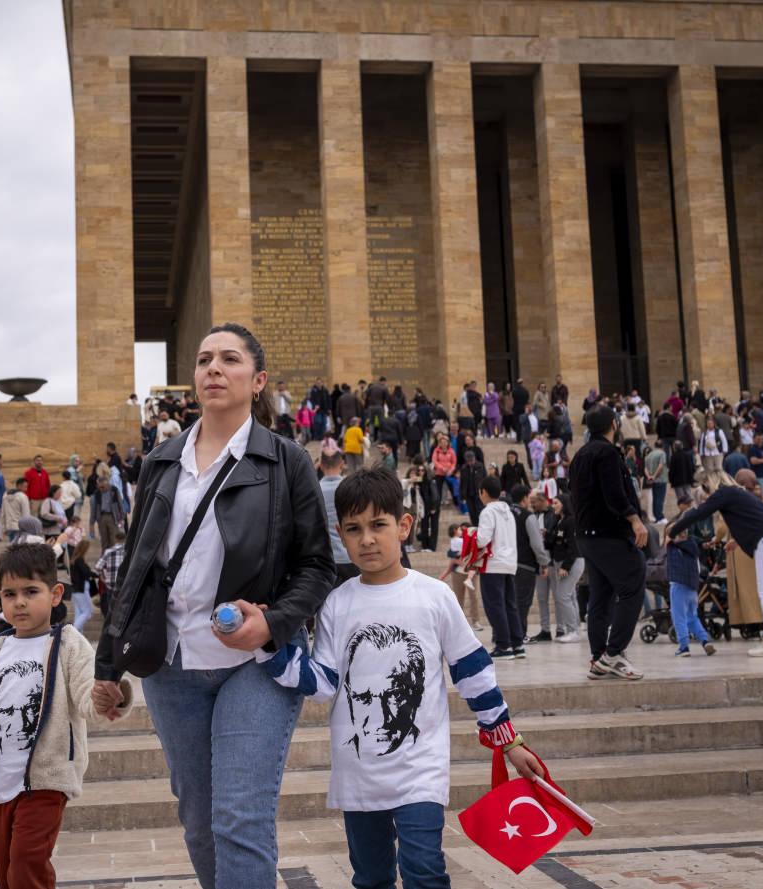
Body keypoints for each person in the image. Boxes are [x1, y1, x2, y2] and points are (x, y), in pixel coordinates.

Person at [91, 323, 334, 889]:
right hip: (172, 666)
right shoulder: (160, 462)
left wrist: (271, 623)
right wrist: (109, 668)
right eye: (203, 360)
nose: (213, 369)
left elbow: (318, 567)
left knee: (239, 820)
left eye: (229, 359)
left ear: (258, 379)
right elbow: (134, 570)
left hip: (255, 666)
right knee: (200, 825)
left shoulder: (286, 461)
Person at [257, 467, 544, 888]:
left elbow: (473, 673)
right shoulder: (336, 603)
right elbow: (323, 685)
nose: (367, 539)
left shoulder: (435, 596)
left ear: (404, 526)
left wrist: (509, 742)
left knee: (425, 871)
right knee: (371, 878)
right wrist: (267, 645)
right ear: (340, 533)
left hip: (420, 771)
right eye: (354, 529)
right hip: (359, 775)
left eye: (378, 525)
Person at [0, 543, 133, 889]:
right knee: (7, 874)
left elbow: (86, 695)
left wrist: (110, 695)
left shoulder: (68, 643)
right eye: (9, 593)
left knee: (26, 864)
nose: (19, 602)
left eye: (31, 591)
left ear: (55, 594)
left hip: (44, 780)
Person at [668, 469, 763, 655]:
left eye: (705, 488)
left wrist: (673, 530)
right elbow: (751, 519)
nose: (706, 494)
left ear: (711, 482)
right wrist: (736, 541)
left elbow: (699, 513)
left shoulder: (724, 492)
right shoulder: (739, 493)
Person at [570, 405, 648, 681]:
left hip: (586, 536)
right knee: (633, 584)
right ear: (613, 425)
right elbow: (614, 493)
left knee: (601, 598)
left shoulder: (580, 455)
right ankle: (614, 653)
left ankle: (598, 659)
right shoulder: (606, 453)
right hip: (608, 534)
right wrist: (635, 520)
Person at [475, 476, 523, 659]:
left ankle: (503, 645)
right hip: (510, 562)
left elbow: (482, 539)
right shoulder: (508, 511)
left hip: (493, 564)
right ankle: (517, 644)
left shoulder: (488, 511)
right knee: (510, 605)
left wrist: (472, 536)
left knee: (495, 606)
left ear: (483, 492)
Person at [666, 530, 716, 657]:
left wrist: (670, 536)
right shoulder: (692, 544)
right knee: (692, 617)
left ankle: (684, 647)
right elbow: (696, 539)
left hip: (678, 585)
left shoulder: (673, 545)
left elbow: (665, 543)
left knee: (679, 617)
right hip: (693, 587)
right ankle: (705, 641)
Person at [511, 486, 551, 642]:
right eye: (529, 498)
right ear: (524, 499)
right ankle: (519, 635)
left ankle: (505, 634)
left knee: (510, 601)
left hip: (507, 564)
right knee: (522, 602)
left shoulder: (506, 514)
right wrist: (544, 563)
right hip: (525, 565)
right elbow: (536, 543)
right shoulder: (528, 516)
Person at [541, 494, 583, 643]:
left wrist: (566, 566)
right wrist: (548, 535)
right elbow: (557, 541)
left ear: (564, 504)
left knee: (563, 595)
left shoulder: (571, 521)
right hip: (562, 562)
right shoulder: (561, 521)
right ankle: (575, 628)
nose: (553, 506)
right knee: (569, 595)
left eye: (556, 503)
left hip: (571, 562)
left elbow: (573, 545)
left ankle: (573, 631)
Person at [319, 451, 358, 583]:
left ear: (321, 465)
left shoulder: (314, 489)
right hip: (350, 555)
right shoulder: (352, 489)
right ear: (342, 464)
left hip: (324, 556)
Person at [68, 539, 95, 631]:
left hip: (76, 589)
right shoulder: (79, 560)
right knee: (88, 612)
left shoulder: (74, 560)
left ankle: (78, 635)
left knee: (79, 613)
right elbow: (86, 573)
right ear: (84, 549)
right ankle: (73, 631)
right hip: (80, 589)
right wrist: (96, 574)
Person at [0, 477, 32, 542]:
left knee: (12, 548)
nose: (26, 489)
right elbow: (26, 515)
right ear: (19, 486)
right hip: (20, 528)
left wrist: (3, 528)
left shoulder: (5, 495)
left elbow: (3, 513)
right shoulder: (23, 497)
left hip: (9, 527)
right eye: (25, 487)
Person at [644, 440, 668, 523]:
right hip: (661, 479)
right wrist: (654, 476)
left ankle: (656, 516)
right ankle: (660, 517)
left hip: (652, 480)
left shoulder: (649, 455)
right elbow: (661, 466)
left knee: (655, 498)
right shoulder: (662, 453)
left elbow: (645, 468)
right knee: (660, 499)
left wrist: (649, 476)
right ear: (662, 446)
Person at [668, 441, 696, 505]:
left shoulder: (673, 456)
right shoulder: (688, 455)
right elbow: (692, 467)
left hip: (678, 481)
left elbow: (672, 470)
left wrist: (670, 480)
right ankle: (690, 510)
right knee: (688, 495)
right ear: (682, 446)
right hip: (687, 479)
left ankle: (684, 511)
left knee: (681, 499)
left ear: (674, 447)